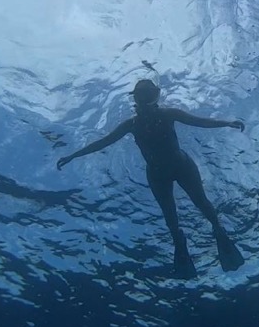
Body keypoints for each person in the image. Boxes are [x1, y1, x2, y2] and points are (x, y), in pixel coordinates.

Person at [57, 79, 245, 278]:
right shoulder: (132, 124)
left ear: (155, 96)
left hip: (179, 167)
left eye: (149, 95)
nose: (146, 100)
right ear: (136, 99)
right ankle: (180, 240)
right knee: (171, 216)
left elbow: (198, 121)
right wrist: (73, 155)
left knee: (201, 203)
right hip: (160, 174)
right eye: (142, 96)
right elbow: (103, 142)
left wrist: (226, 123)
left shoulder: (168, 114)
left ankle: (215, 229)